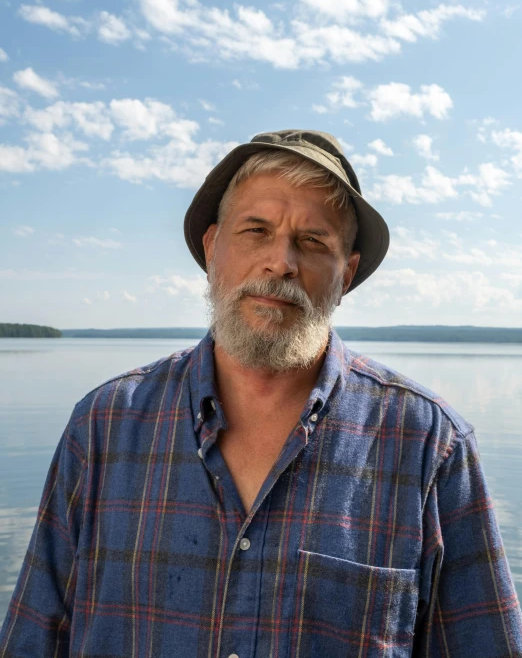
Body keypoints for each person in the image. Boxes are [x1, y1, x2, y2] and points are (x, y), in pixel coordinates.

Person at [1, 129, 521, 658]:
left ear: (347, 274)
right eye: (256, 229)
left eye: (313, 240)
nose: (281, 262)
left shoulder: (430, 445)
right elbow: (31, 640)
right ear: (211, 248)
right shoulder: (104, 426)